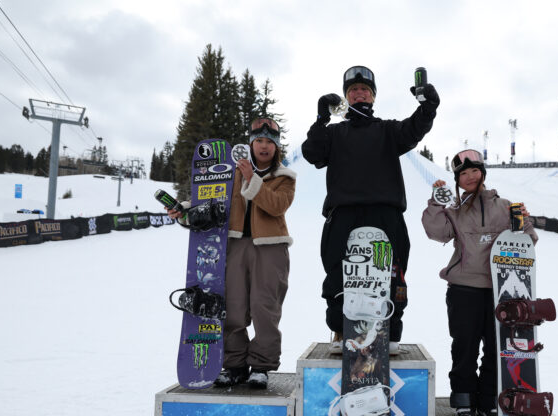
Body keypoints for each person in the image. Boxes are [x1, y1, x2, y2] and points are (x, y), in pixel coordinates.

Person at [301, 65, 439, 354]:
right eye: (353, 90)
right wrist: (321, 118)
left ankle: (389, 332)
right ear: (346, 98)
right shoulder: (335, 133)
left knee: (392, 272)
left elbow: (414, 128)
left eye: (364, 89)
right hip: (343, 214)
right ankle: (340, 331)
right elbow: (312, 152)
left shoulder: (388, 130)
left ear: (373, 97)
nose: (359, 93)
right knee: (338, 273)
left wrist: (428, 105)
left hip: (385, 214)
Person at [167, 117, 296, 388]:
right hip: (234, 245)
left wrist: (251, 177)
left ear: (276, 147)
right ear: (250, 144)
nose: (263, 147)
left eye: (269, 142)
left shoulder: (285, 177)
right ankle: (234, 364)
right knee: (234, 308)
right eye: (258, 141)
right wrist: (185, 210)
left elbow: (276, 206)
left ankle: (261, 365)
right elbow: (210, 198)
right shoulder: (231, 172)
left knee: (265, 309)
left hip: (271, 248)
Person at [421, 149, 538, 416]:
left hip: (501, 289)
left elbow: (528, 242)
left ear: (482, 173)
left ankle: (488, 400)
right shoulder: (455, 211)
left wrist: (524, 223)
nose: (470, 176)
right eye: (463, 173)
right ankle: (463, 398)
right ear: (458, 180)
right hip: (463, 289)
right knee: (465, 346)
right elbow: (437, 233)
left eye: (474, 171)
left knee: (496, 347)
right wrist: (436, 203)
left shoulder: (506, 206)